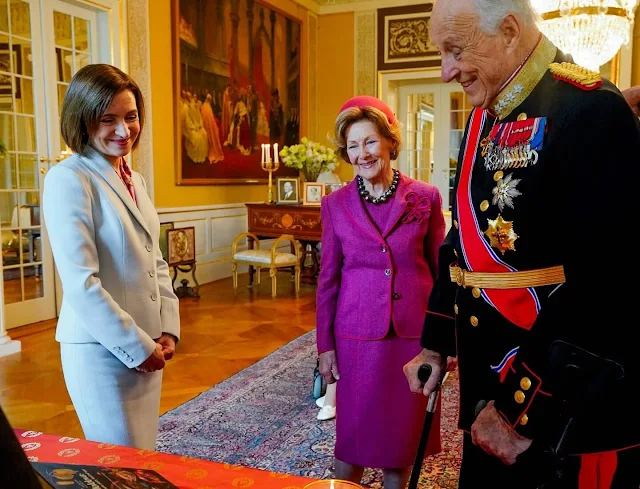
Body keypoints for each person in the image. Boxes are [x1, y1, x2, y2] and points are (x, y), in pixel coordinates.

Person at [402, 1, 640, 488]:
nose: (446, 71)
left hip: (555, 405)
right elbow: (463, 240)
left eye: (454, 51)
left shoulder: (591, 108)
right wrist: (434, 342)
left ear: (509, 31)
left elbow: (605, 284)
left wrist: (518, 412)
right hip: (486, 380)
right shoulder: (485, 112)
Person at [42, 64, 180, 450]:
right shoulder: (69, 179)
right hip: (101, 353)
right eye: (108, 119)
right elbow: (81, 284)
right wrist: (136, 346)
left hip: (150, 345)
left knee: (142, 459)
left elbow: (155, 258)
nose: (124, 130)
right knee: (119, 467)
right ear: (83, 121)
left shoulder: (135, 179)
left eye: (131, 116)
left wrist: (167, 328)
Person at [316, 95, 445, 489]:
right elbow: (328, 280)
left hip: (412, 337)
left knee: (400, 443)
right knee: (351, 443)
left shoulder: (425, 198)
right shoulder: (335, 205)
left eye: (370, 141)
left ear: (390, 142)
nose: (362, 153)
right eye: (353, 146)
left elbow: (441, 274)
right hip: (356, 337)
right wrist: (325, 346)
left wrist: (442, 341)